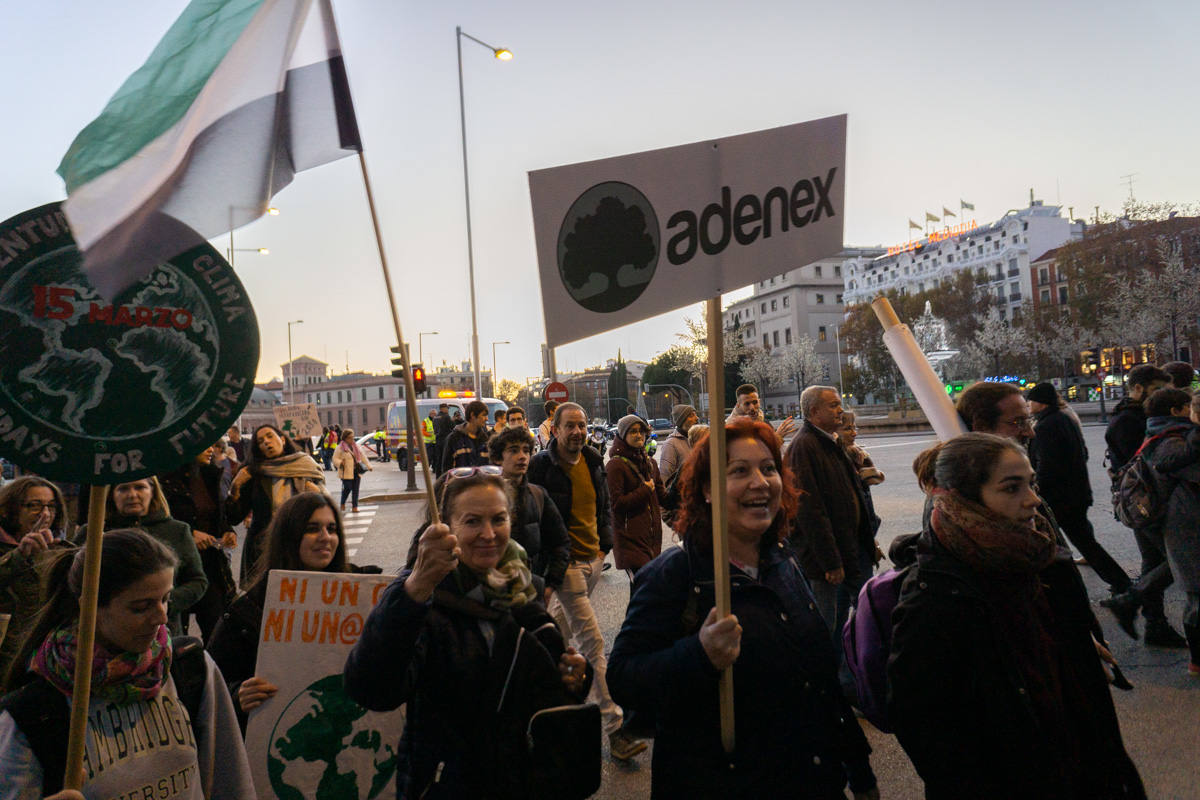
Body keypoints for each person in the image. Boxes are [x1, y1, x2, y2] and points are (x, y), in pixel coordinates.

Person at [609, 419, 879, 798]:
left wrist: (859, 771)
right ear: (706, 490)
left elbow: (820, 683)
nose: (759, 482)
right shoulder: (676, 575)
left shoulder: (785, 562)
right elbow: (624, 678)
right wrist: (698, 656)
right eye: (739, 471)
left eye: (769, 468)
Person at [888, 433, 1145, 798]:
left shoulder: (1029, 557)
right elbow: (924, 726)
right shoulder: (933, 598)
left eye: (1031, 483)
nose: (1033, 500)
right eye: (1012, 488)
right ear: (961, 500)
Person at [343, 469, 591, 798]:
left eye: (498, 519)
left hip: (524, 780)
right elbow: (372, 689)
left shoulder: (518, 581)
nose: (489, 534)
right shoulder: (422, 594)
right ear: (445, 524)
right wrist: (412, 594)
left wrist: (573, 677)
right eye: (472, 521)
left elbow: (543, 678)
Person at [0, 529, 255, 797]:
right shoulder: (31, 714)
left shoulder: (189, 668)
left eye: (165, 599)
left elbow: (232, 783)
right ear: (89, 607)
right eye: (141, 607)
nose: (161, 618)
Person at [527, 402, 645, 761]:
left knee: (556, 631)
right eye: (570, 426)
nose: (578, 431)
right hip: (566, 567)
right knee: (593, 644)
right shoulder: (542, 467)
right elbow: (534, 520)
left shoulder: (593, 461)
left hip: (593, 560)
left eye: (582, 425)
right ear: (556, 429)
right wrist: (550, 568)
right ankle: (615, 728)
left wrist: (603, 548)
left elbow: (603, 506)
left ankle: (529, 694)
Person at [207, 492, 362, 731]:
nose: (325, 538)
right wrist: (237, 694)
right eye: (312, 528)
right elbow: (210, 684)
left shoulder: (361, 592)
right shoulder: (248, 610)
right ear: (289, 536)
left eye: (332, 529)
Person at [784, 385, 875, 693]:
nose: (840, 410)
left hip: (849, 551)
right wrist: (831, 561)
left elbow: (852, 498)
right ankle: (826, 688)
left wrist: (867, 540)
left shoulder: (830, 442)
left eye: (840, 404)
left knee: (853, 622)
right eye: (834, 405)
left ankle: (845, 684)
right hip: (828, 560)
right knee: (828, 627)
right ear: (813, 413)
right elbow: (810, 511)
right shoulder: (805, 447)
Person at [1102, 387, 1198, 657]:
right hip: (1170, 516)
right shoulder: (1171, 438)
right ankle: (1133, 604)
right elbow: (1177, 465)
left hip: (1158, 513)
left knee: (1173, 564)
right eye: (1188, 406)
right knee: (1184, 569)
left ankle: (1132, 604)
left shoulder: (1161, 430)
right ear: (1176, 410)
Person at [1027, 381, 1133, 596]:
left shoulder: (1046, 426)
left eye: (1031, 401)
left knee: (1082, 543)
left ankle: (1120, 583)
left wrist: (1038, 488)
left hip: (1061, 497)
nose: (1028, 405)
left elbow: (1048, 464)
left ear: (1040, 403)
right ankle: (1120, 582)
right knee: (1084, 540)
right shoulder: (1063, 419)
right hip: (1075, 493)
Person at [103, 478, 207, 637]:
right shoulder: (95, 534)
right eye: (123, 489)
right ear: (112, 495)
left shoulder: (177, 531)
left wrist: (163, 604)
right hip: (108, 634)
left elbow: (197, 581)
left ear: (152, 491)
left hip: (164, 633)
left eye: (139, 487)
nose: (132, 495)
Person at [227, 423, 325, 582]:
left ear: (283, 440)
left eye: (269, 436)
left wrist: (317, 495)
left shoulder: (305, 467)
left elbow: (326, 511)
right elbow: (234, 517)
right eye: (260, 441)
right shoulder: (253, 474)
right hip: (262, 552)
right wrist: (235, 487)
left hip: (301, 547)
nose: (266, 442)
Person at [158, 444, 237, 641]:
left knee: (216, 626)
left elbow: (216, 514)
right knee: (177, 632)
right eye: (204, 446)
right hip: (179, 566)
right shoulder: (164, 478)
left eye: (213, 445)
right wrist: (189, 534)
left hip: (210, 563)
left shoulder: (210, 475)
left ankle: (212, 668)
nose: (211, 450)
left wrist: (227, 530)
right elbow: (160, 519)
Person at [0, 478, 72, 680]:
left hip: (46, 658)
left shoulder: (61, 550)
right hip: (7, 657)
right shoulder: (9, 551)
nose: (45, 514)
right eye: (34, 505)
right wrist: (20, 556)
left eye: (51, 506)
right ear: (8, 509)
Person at [489, 427, 570, 601]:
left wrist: (549, 585)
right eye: (513, 450)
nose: (522, 456)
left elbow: (560, 542)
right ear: (497, 457)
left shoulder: (538, 495)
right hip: (491, 593)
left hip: (531, 592)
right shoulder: (484, 496)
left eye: (527, 450)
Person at [606, 415, 667, 578]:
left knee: (647, 594)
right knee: (644, 591)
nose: (639, 435)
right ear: (623, 435)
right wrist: (644, 491)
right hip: (630, 541)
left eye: (641, 431)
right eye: (633, 431)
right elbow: (616, 504)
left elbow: (664, 497)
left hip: (652, 539)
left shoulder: (650, 463)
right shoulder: (615, 465)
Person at [1105, 364, 1170, 475]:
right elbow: (1138, 459)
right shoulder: (1126, 420)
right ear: (1138, 388)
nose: (1161, 395)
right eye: (1156, 390)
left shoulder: (1135, 412)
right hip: (1141, 487)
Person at [726, 383, 797, 440]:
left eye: (755, 402)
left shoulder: (765, 423)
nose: (752, 408)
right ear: (738, 405)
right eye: (747, 404)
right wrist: (777, 439)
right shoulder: (731, 429)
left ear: (759, 402)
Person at [441, 400, 491, 472]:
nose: (487, 419)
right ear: (473, 415)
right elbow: (446, 469)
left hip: (481, 482)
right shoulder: (454, 438)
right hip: (461, 483)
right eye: (484, 415)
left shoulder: (485, 439)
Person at [838, 411, 884, 487]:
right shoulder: (838, 455)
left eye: (854, 428)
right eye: (848, 429)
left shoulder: (858, 452)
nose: (854, 433)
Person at [332, 428, 372, 513]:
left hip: (356, 471)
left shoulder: (356, 446)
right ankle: (342, 502)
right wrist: (340, 462)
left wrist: (368, 466)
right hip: (346, 471)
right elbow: (334, 459)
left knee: (355, 489)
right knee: (347, 487)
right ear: (345, 438)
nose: (352, 439)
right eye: (350, 437)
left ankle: (355, 507)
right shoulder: (340, 447)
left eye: (352, 437)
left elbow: (362, 456)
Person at [658, 403, 698, 487]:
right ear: (682, 421)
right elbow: (664, 477)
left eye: (696, 415)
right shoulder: (671, 444)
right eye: (691, 416)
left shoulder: (697, 439)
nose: (696, 418)